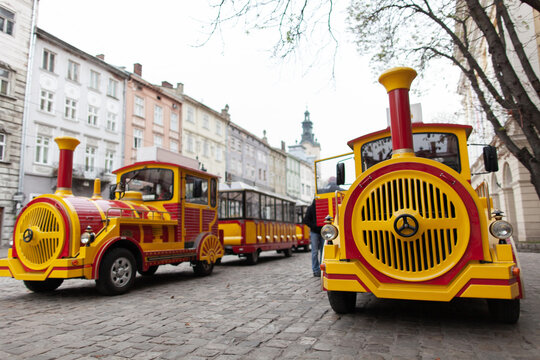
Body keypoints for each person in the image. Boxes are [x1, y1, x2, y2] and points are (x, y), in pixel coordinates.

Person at [303, 199, 324, 277]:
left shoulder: (322, 207)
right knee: (315, 252)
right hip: (315, 232)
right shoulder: (311, 208)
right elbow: (306, 220)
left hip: (323, 232)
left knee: (323, 252)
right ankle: (316, 270)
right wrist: (314, 226)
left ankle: (322, 269)